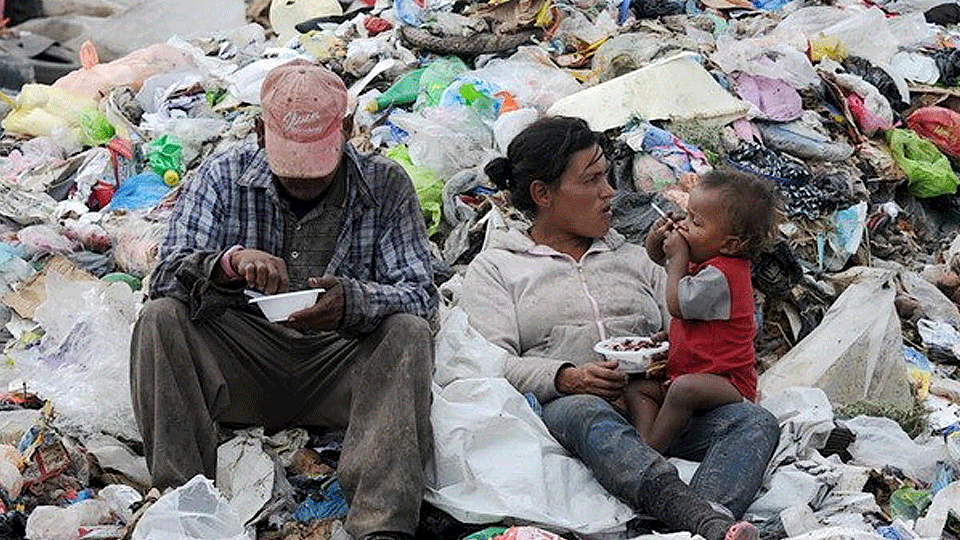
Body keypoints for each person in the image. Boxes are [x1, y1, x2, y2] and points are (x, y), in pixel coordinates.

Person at [130, 59, 438, 540]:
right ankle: (183, 508)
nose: (304, 181)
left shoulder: (385, 184)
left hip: (339, 371)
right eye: (290, 164)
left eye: (317, 164)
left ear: (350, 131)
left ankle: (382, 527)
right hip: (244, 366)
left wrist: (352, 301)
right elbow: (165, 275)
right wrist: (227, 265)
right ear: (258, 132)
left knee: (408, 332)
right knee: (159, 318)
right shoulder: (221, 176)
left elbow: (420, 296)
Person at [460, 116, 779, 540]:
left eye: (608, 177)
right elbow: (489, 363)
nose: (609, 192)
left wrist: (662, 350)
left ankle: (703, 518)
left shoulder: (632, 258)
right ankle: (693, 515)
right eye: (592, 180)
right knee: (585, 412)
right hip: (574, 413)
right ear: (543, 194)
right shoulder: (498, 268)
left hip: (655, 408)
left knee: (753, 422)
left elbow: (687, 326)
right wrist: (567, 377)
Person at [626, 168, 780, 453]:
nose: (684, 226)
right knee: (637, 388)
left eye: (695, 223)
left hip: (727, 382)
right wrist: (655, 238)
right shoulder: (707, 258)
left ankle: (652, 452)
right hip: (688, 370)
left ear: (731, 244)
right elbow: (658, 258)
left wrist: (678, 256)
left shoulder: (725, 274)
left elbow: (677, 305)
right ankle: (647, 436)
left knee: (684, 390)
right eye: (687, 215)